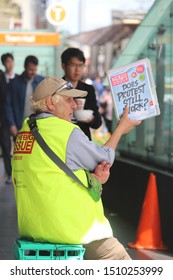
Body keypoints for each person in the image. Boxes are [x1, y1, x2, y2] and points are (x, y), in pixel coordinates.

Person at [12, 77, 141, 260]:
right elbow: (104, 158)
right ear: (50, 103)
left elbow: (47, 176)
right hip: (72, 231)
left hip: (33, 231)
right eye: (69, 99)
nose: (75, 106)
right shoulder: (65, 131)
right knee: (121, 261)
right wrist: (120, 129)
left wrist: (94, 179)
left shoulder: (24, 132)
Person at [61, 47, 102, 140]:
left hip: (82, 140)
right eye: (73, 65)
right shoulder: (56, 88)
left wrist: (90, 118)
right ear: (63, 65)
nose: (77, 70)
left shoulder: (88, 90)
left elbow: (97, 123)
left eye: (81, 65)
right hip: (61, 139)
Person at [5, 55, 44, 139]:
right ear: (25, 67)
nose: (33, 72)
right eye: (30, 70)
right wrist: (12, 124)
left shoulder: (41, 82)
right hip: (19, 126)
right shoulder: (14, 83)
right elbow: (7, 105)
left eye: (35, 69)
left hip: (38, 126)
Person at [0, 53, 16, 184]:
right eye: (7, 62)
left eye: (11, 61)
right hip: (3, 120)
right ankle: (10, 173)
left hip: (17, 119)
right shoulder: (1, 78)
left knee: (19, 147)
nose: (9, 64)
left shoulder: (18, 80)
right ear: (3, 64)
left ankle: (19, 172)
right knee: (6, 147)